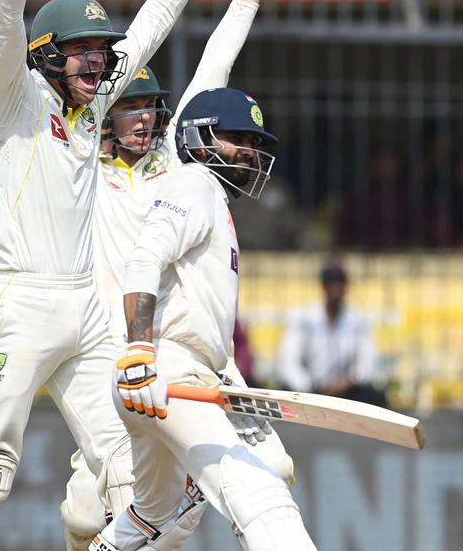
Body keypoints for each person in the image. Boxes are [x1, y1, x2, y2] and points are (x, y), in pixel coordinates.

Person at [0, 0, 289, 550]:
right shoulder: (21, 105)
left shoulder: (138, 143)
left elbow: (151, 32)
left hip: (98, 324)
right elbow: (6, 52)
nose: (101, 65)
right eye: (85, 53)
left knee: (129, 473)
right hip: (21, 300)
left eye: (104, 56)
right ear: (47, 54)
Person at [95, 88, 317, 550]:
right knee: (260, 491)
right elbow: (144, 259)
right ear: (198, 138)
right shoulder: (196, 183)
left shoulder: (209, 196)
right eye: (238, 138)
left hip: (167, 377)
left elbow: (199, 315)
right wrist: (140, 350)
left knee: (152, 515)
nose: (251, 153)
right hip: (167, 373)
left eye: (255, 143)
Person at [276, 259, 389, 407]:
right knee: (284, 393)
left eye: (340, 283)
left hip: (346, 391)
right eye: (332, 283)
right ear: (323, 286)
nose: (336, 288)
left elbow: (367, 361)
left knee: (376, 397)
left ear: (345, 287)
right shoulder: (304, 317)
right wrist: (311, 386)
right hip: (310, 392)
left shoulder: (357, 319)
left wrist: (348, 382)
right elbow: (289, 363)